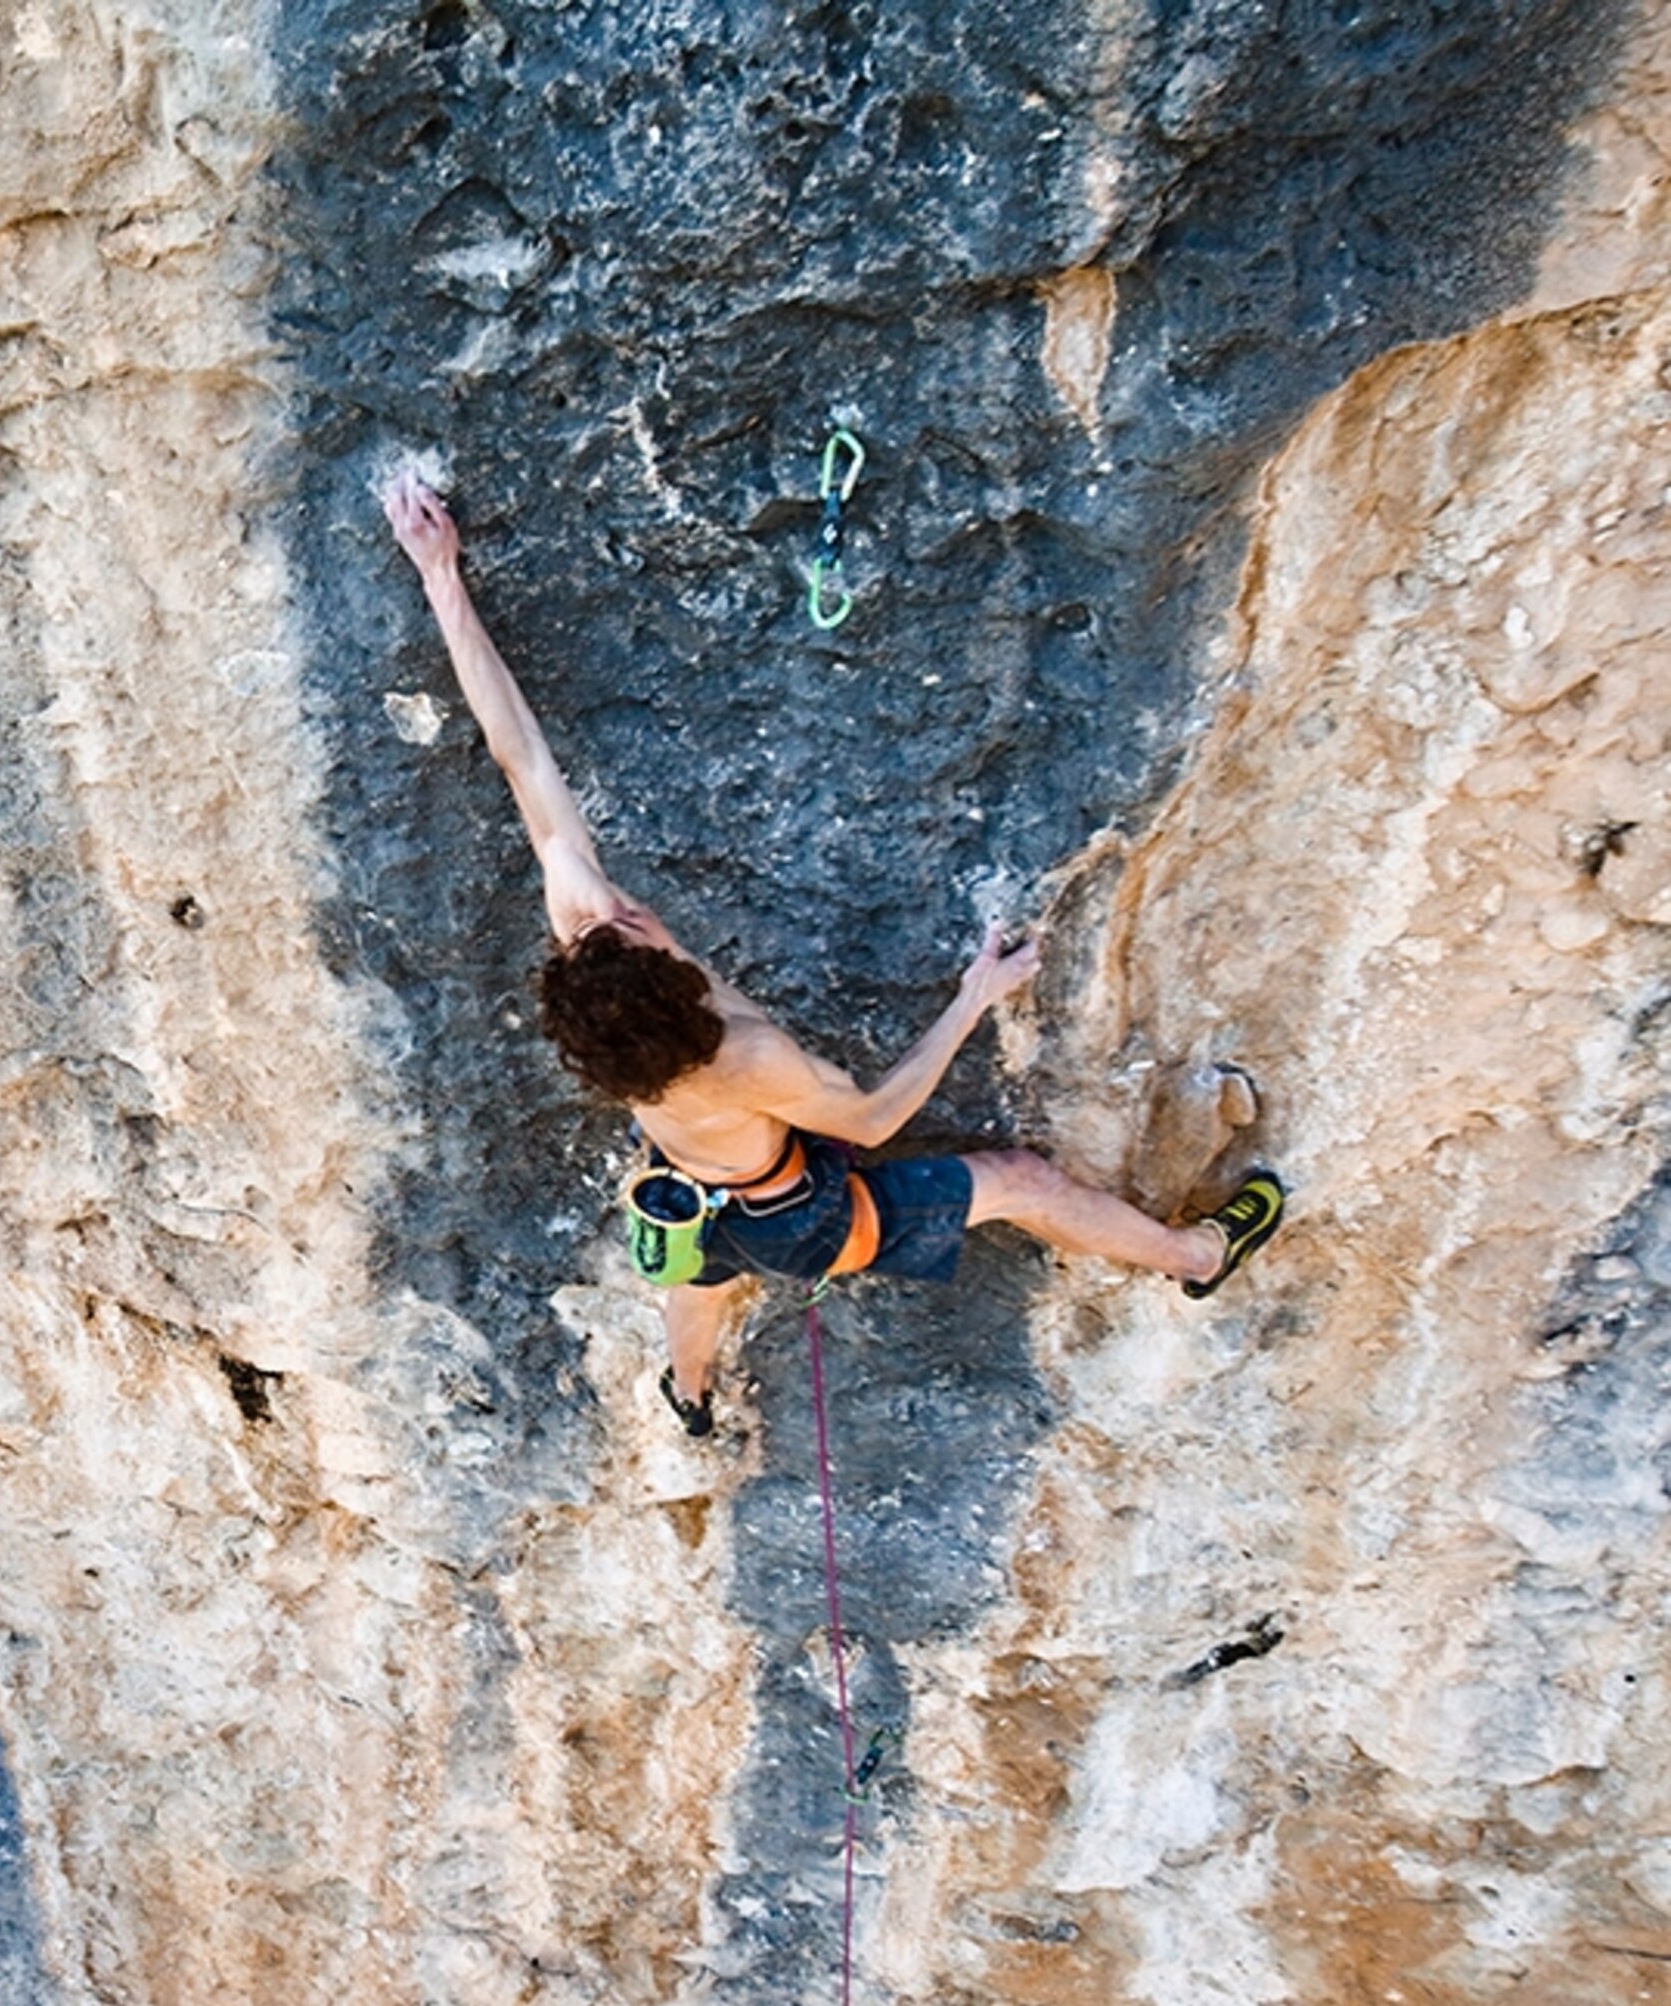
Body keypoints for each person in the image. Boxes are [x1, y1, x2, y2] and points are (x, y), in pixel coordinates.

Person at [384, 472, 1284, 1436]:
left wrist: (441, 576)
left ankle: (689, 1393)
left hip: (686, 1185)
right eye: (634, 934)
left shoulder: (593, 945)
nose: (625, 913)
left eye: (614, 927)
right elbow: (877, 1117)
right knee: (1021, 1180)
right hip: (794, 1218)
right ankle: (1199, 1259)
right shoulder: (746, 1060)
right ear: (680, 998)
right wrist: (974, 997)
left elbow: (518, 754)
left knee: (701, 1270)